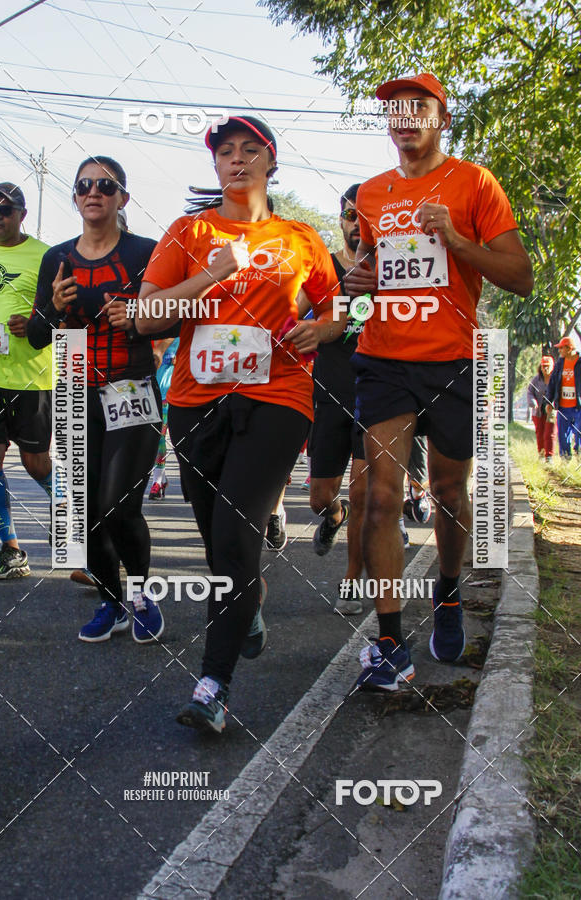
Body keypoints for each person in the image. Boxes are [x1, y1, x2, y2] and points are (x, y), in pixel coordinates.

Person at [137, 115, 342, 733]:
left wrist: (325, 328)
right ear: (216, 167)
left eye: (251, 150)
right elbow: (147, 318)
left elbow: (342, 310)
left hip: (277, 396)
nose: (238, 160)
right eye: (226, 152)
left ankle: (212, 687)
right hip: (196, 402)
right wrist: (213, 272)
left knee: (234, 529)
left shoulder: (301, 239)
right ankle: (247, 601)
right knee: (218, 537)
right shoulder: (188, 232)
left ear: (272, 162)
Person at [345, 73, 533, 690]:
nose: (405, 118)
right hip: (384, 359)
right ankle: (391, 642)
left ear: (441, 118)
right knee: (380, 497)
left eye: (418, 107)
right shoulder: (370, 193)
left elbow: (518, 275)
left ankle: (448, 592)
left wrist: (454, 238)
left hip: (452, 359)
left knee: (450, 496)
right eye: (396, 110)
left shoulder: (475, 183)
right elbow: (375, 274)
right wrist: (360, 282)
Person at [27, 156, 164, 643]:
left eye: (105, 185)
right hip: (74, 389)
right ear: (76, 196)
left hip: (132, 386)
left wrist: (141, 317)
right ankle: (112, 601)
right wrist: (54, 307)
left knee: (119, 505)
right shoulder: (57, 258)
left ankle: (143, 595)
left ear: (122, 197)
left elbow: (171, 320)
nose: (93, 192)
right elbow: (40, 336)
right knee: (81, 515)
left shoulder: (145, 251)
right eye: (84, 185)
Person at [0, 183, 52, 579]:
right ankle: (12, 552)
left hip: (32, 377)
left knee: (36, 464)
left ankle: (75, 522)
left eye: (4, 210)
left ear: (21, 214)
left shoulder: (46, 256)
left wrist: (37, 324)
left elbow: (64, 313)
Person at [304, 183, 367, 614]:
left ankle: (352, 580)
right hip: (327, 392)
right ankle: (334, 515)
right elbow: (292, 308)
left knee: (368, 495)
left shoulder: (396, 271)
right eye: (350, 215)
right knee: (319, 497)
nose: (357, 223)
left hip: (379, 396)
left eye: (366, 217)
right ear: (341, 220)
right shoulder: (324, 269)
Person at [149, 337, 179, 499]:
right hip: (150, 393)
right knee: (156, 438)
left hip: (172, 394)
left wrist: (180, 360)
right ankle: (160, 479)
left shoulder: (182, 336)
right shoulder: (147, 333)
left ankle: (158, 481)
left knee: (161, 436)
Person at [546, 337, 581, 459]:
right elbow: (552, 382)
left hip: (578, 407)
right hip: (562, 407)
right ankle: (565, 459)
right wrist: (549, 401)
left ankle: (579, 454)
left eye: (561, 348)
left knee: (579, 433)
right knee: (563, 436)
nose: (559, 350)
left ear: (569, 348)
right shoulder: (560, 363)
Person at [527, 356, 556, 462]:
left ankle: (549, 456)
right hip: (538, 411)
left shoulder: (555, 379)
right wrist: (533, 402)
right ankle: (541, 454)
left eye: (548, 366)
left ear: (552, 367)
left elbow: (558, 392)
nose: (545, 369)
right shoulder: (536, 379)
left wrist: (553, 403)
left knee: (549, 433)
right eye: (543, 366)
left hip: (551, 410)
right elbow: (530, 392)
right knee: (540, 433)